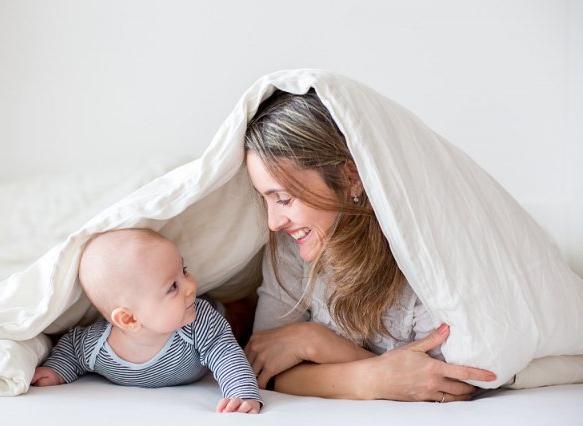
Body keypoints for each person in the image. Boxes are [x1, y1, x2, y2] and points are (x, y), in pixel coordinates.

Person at [243, 89, 497, 402]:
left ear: (350, 176)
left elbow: (447, 385)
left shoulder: (419, 254)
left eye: (284, 199)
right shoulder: (290, 246)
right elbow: (263, 367)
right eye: (265, 199)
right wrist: (368, 375)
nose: (274, 222)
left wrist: (315, 347)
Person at [32, 228, 262, 414]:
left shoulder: (198, 322)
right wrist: (56, 370)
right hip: (182, 311)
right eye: (173, 286)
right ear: (129, 318)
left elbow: (225, 352)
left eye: (184, 271)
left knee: (237, 321)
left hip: (207, 310)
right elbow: (71, 348)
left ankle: (239, 308)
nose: (191, 285)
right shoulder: (96, 346)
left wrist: (241, 393)